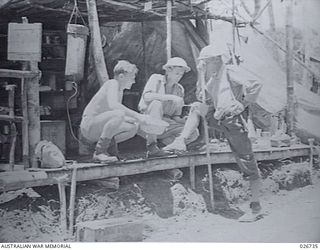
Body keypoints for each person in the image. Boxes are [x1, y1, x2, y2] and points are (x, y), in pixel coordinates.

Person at [163, 44, 263, 219]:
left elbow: (255, 84)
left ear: (216, 60)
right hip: (219, 119)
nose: (205, 65)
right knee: (196, 107)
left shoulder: (230, 70)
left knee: (247, 161)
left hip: (234, 122)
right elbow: (203, 98)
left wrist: (243, 103)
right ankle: (181, 139)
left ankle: (256, 208)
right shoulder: (212, 78)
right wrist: (201, 74)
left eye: (206, 62)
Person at [80, 60, 148, 162]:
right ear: (121, 77)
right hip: (89, 126)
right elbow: (114, 106)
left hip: (99, 126)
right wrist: (137, 115)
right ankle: (99, 152)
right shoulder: (112, 83)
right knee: (119, 114)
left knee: (133, 127)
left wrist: (137, 120)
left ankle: (111, 152)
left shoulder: (119, 90)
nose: (134, 82)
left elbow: (114, 118)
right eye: (132, 78)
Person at [138, 57, 199, 157]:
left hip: (166, 124)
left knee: (193, 132)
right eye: (177, 73)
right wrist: (170, 97)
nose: (179, 77)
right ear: (168, 70)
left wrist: (184, 121)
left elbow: (175, 117)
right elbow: (147, 97)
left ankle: (169, 147)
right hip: (147, 121)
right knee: (156, 104)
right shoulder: (156, 79)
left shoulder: (179, 89)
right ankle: (152, 146)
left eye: (181, 74)